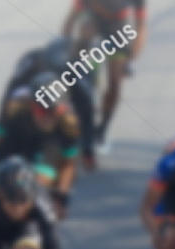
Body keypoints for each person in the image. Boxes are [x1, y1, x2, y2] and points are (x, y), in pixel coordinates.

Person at [0, 76, 82, 215]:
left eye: (55, 112)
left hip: (47, 147)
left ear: (63, 110)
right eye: (42, 111)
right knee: (5, 189)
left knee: (40, 185)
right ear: (30, 105)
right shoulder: (13, 113)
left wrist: (61, 197)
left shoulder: (69, 125)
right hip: (13, 145)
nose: (48, 118)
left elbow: (68, 165)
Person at [1, 37, 98, 169]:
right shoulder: (28, 67)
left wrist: (88, 150)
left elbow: (86, 111)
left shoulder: (77, 74)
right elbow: (8, 99)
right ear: (41, 64)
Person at [62, 0, 147, 149]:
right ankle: (78, 106)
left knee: (115, 82)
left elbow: (141, 26)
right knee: (85, 32)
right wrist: (63, 45)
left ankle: (102, 129)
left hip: (117, 28)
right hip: (92, 21)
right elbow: (73, 16)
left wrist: (132, 58)